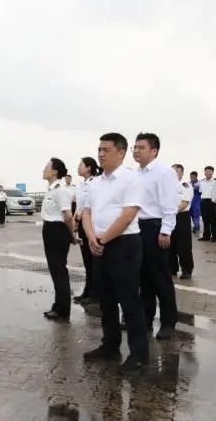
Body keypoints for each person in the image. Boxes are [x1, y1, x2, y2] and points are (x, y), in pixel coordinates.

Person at [82, 133, 149, 374]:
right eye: (99, 149)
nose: (101, 154)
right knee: (106, 300)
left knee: (129, 301)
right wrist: (92, 237)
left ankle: (139, 355)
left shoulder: (132, 179)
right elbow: (86, 213)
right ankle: (110, 346)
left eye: (106, 150)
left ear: (121, 153)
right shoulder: (95, 183)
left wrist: (102, 239)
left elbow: (128, 216)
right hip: (98, 245)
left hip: (124, 245)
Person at [133, 133, 179, 340]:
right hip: (138, 227)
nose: (136, 151)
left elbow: (170, 203)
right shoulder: (136, 173)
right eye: (135, 147)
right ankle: (146, 319)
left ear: (154, 151)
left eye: (141, 147)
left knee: (160, 277)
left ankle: (168, 322)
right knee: (143, 278)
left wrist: (166, 230)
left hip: (155, 227)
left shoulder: (164, 172)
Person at [40, 158, 76, 321]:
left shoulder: (60, 190)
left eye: (46, 167)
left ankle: (63, 310)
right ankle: (58, 306)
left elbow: (68, 216)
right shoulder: (51, 189)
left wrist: (72, 236)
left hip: (57, 231)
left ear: (54, 171)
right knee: (55, 270)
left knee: (59, 270)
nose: (44, 170)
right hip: (49, 229)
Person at [73, 157, 100, 305]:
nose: (78, 167)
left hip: (92, 225)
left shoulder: (95, 183)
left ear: (89, 168)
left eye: (80, 165)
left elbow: (93, 205)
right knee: (87, 261)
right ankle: (87, 291)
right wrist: (76, 221)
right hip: (82, 224)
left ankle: (95, 294)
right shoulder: (81, 185)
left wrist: (82, 215)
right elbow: (79, 206)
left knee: (93, 261)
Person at [170, 164, 194, 279]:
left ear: (182, 173)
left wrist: (171, 212)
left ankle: (186, 270)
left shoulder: (185, 186)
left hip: (181, 217)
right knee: (170, 244)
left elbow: (185, 203)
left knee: (184, 245)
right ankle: (172, 268)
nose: (173, 174)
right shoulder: (167, 186)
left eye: (176, 171)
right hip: (169, 217)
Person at [198, 166, 216, 242]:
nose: (208, 173)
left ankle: (215, 236)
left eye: (210, 171)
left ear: (212, 172)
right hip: (203, 201)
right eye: (206, 171)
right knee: (205, 219)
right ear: (204, 172)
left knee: (213, 220)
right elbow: (201, 192)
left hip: (212, 202)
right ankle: (206, 236)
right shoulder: (201, 182)